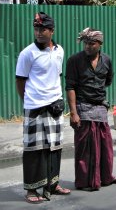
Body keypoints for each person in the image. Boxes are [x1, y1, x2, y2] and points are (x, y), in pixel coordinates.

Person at [15, 12, 71, 204]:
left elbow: (57, 76)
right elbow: (20, 81)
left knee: (54, 147)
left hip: (54, 106)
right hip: (35, 108)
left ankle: (52, 185)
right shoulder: (27, 53)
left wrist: (56, 98)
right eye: (36, 29)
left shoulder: (59, 51)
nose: (39, 32)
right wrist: (30, 100)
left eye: (43, 29)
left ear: (52, 31)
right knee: (33, 149)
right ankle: (31, 189)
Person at [66, 27, 116, 191]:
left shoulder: (106, 60)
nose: (87, 46)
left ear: (100, 44)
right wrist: (73, 112)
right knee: (84, 148)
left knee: (104, 145)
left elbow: (107, 81)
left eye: (92, 43)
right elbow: (70, 87)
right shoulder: (74, 60)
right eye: (85, 43)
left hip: (100, 107)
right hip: (82, 107)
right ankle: (85, 181)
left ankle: (105, 177)